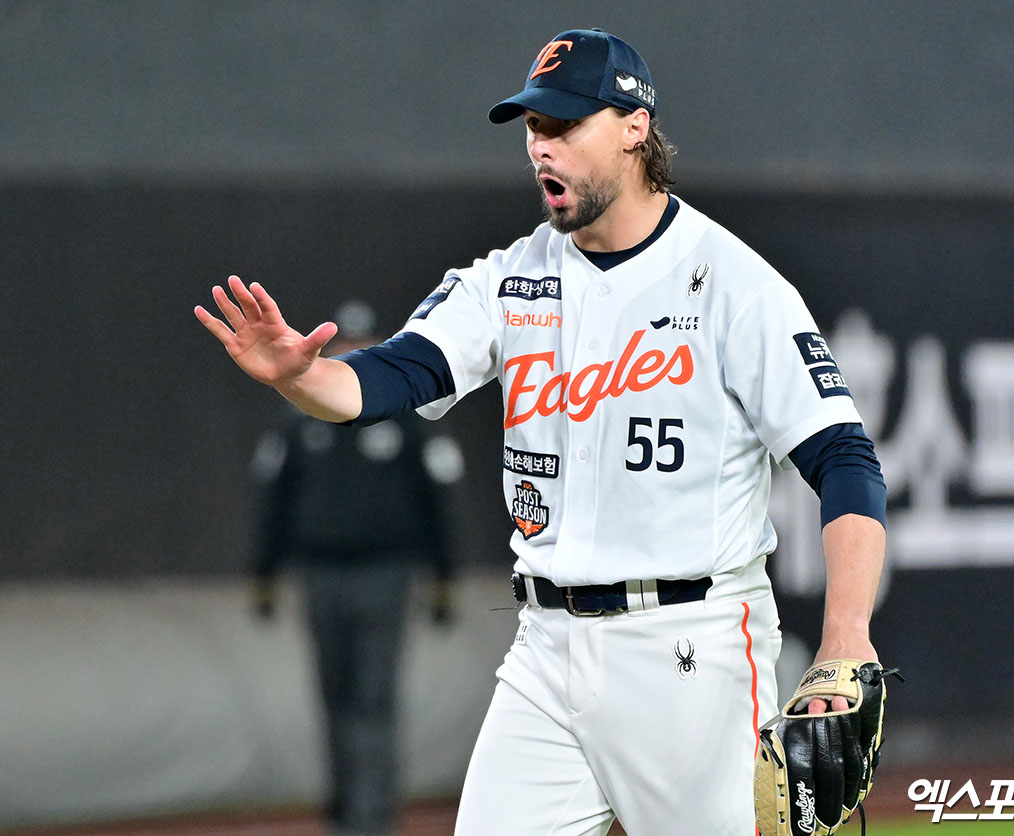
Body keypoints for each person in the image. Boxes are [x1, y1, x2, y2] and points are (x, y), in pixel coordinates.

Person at [195, 29, 888, 836]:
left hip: (688, 652)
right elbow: (389, 377)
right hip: (544, 653)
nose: (541, 148)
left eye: (564, 126)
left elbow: (844, 457)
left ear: (635, 127)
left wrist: (846, 637)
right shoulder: (510, 276)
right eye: (533, 129)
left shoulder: (731, 283)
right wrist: (301, 377)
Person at [250, 300, 462, 836]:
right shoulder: (300, 423)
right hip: (320, 574)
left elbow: (438, 498)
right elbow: (273, 498)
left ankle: (370, 820)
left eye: (365, 346)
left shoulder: (407, 420)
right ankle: (345, 810)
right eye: (345, 347)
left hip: (386, 575)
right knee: (334, 695)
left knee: (373, 698)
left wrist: (444, 576)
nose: (354, 355)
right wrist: (264, 573)